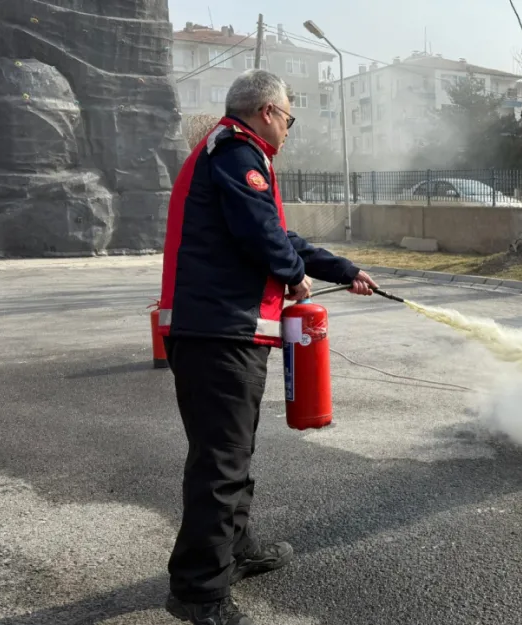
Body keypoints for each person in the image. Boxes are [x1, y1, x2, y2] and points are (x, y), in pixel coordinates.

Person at [155, 69, 378, 625]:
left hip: (227, 330)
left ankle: (236, 549)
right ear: (266, 112)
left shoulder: (237, 156)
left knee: (233, 453)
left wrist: (343, 269)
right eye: (289, 117)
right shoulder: (236, 154)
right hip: (218, 333)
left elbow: (281, 235)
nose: (289, 127)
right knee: (220, 463)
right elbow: (264, 238)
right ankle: (199, 594)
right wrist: (295, 276)